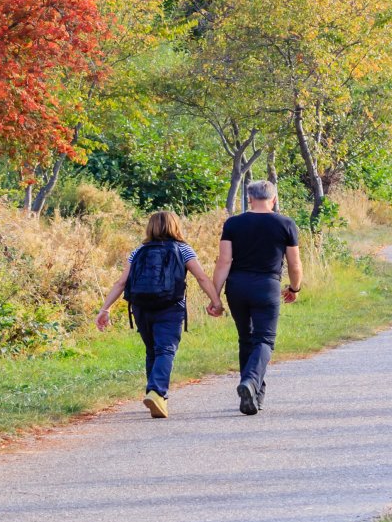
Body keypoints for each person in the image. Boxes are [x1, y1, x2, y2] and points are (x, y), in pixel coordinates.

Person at [96, 210, 224, 419]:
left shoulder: (138, 251)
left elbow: (121, 282)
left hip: (141, 307)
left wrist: (105, 308)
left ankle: (156, 396)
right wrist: (216, 302)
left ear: (150, 227)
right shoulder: (183, 249)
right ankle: (157, 391)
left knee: (152, 350)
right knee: (166, 350)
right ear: (175, 226)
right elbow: (201, 277)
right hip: (171, 306)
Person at [210, 180, 303, 416]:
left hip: (237, 286)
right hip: (267, 286)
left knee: (246, 339)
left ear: (249, 198)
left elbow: (224, 261)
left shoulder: (233, 223)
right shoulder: (285, 224)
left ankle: (253, 398)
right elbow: (294, 263)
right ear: (273, 199)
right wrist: (295, 287)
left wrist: (215, 296)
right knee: (264, 340)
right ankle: (251, 381)